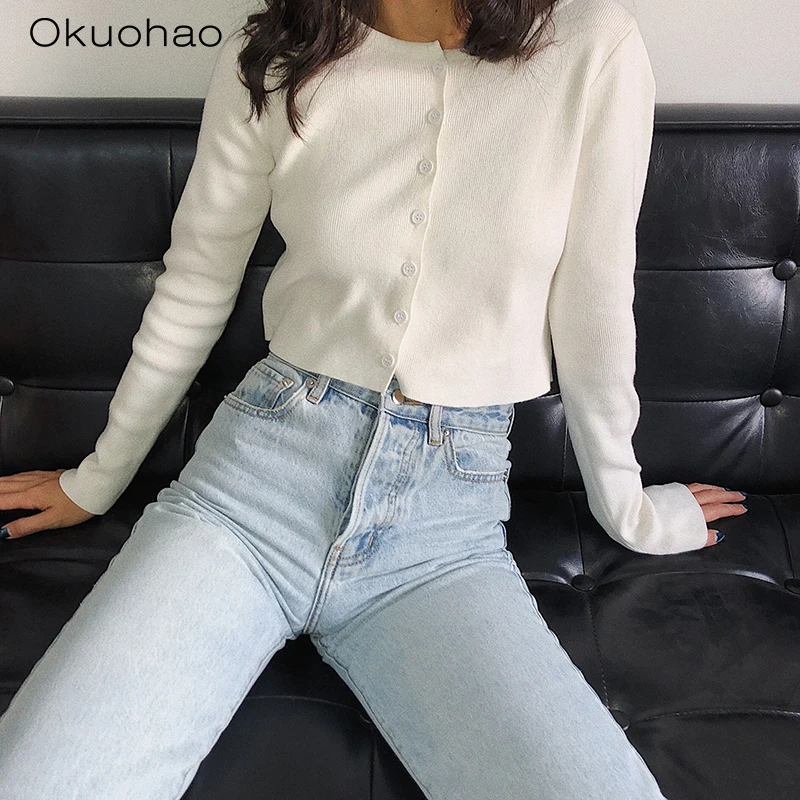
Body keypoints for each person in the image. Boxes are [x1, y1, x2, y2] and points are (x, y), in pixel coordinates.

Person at [0, 1, 748, 798]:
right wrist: (98, 477)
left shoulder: (591, 44)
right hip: (246, 496)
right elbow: (195, 282)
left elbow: (595, 303)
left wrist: (629, 508)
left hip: (442, 535)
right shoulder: (281, 48)